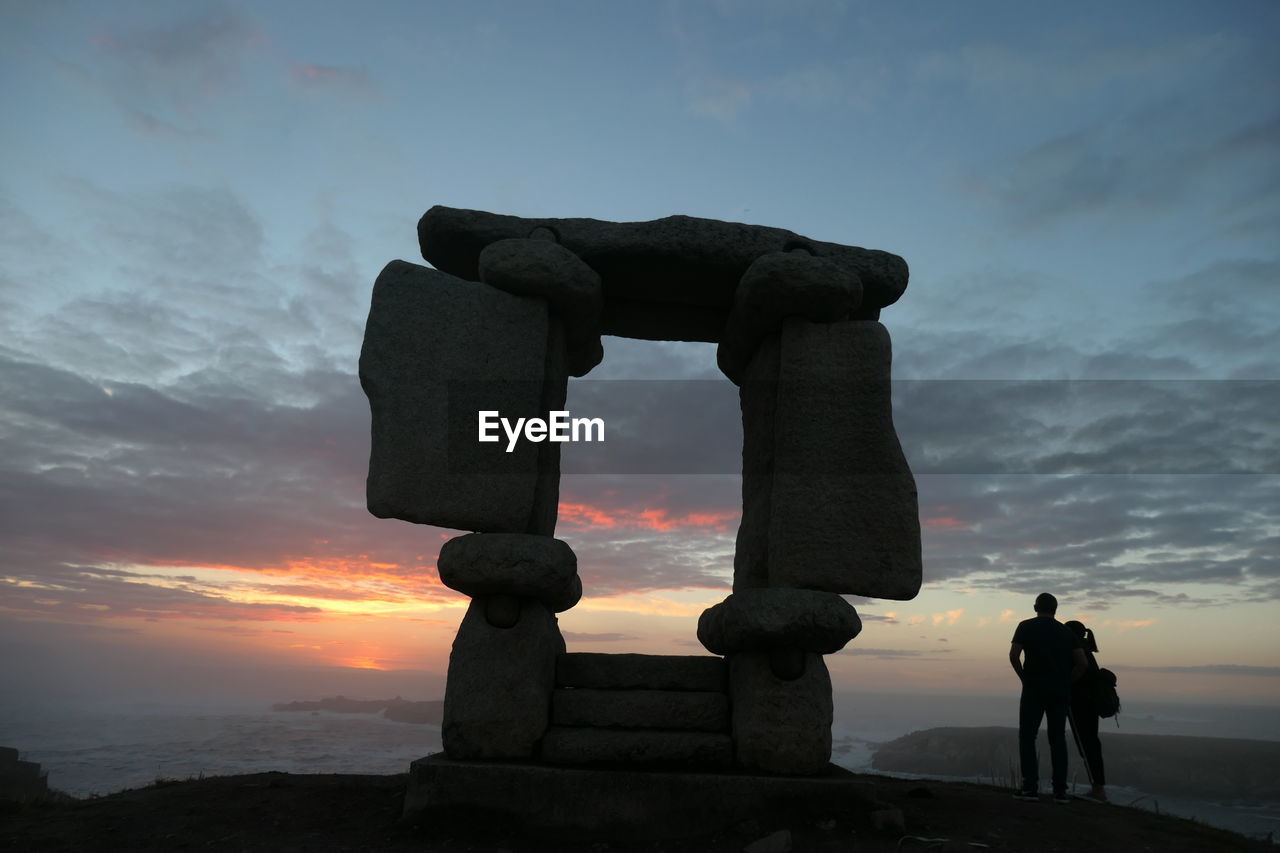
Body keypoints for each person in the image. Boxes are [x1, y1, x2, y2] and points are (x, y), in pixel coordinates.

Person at [1009, 592, 1086, 803]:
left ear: (1035, 607)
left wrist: (1024, 678)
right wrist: (1067, 682)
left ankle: (1029, 788)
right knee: (1058, 739)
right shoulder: (1066, 632)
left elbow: (1014, 655)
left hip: (1033, 688)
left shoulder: (1025, 626)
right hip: (1059, 691)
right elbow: (1082, 663)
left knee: (1027, 737)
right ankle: (1060, 791)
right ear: (1055, 609)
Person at [1065, 620, 1107, 801]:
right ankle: (1098, 787)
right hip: (1090, 705)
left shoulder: (1077, 652)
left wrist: (1065, 684)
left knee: (1087, 744)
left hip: (1081, 705)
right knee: (1091, 743)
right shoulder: (1087, 650)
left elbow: (1079, 673)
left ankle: (1098, 789)